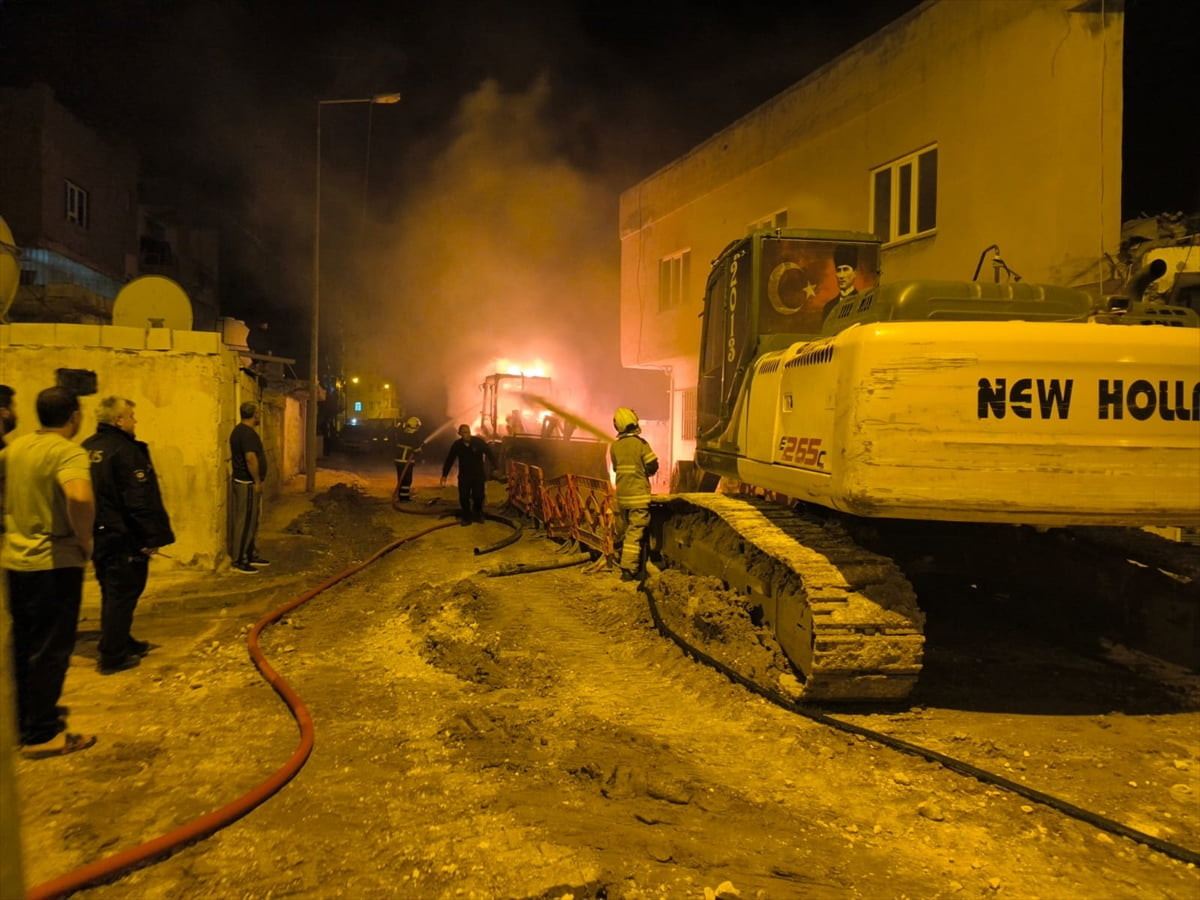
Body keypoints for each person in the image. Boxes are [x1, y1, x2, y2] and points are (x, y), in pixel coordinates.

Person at [0, 386, 97, 757]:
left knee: (24, 645)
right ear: (74, 416)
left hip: (16, 560)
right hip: (53, 564)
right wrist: (83, 538)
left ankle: (23, 721)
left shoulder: (15, 449)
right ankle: (42, 734)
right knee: (52, 649)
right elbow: (79, 496)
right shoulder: (68, 452)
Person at [82, 396, 175, 674]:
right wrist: (150, 538)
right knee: (123, 593)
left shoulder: (87, 448)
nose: (135, 421)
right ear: (119, 420)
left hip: (99, 534)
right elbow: (139, 500)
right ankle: (113, 655)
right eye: (132, 416)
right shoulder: (125, 450)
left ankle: (120, 639)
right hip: (123, 537)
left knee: (111, 591)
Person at [610, 407, 659, 582]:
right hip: (638, 498)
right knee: (634, 533)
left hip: (622, 498)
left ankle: (629, 562)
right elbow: (652, 466)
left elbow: (616, 468)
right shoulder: (641, 444)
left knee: (626, 531)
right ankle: (628, 569)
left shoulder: (615, 446)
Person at [229, 401, 269, 573]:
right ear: (254, 414)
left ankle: (250, 553)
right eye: (258, 413)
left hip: (246, 482)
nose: (260, 415)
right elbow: (250, 458)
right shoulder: (247, 434)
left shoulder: (240, 431)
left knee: (251, 521)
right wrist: (257, 481)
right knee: (245, 522)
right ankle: (239, 560)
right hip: (247, 483)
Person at [440, 424, 497, 525]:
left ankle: (478, 514)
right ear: (460, 434)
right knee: (463, 497)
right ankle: (466, 517)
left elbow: (489, 453)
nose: (467, 434)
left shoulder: (478, 442)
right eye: (464, 432)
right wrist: (444, 475)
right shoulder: (457, 445)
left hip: (478, 475)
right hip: (464, 476)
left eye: (468, 432)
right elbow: (450, 459)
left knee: (478, 496)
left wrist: (496, 467)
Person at [821, 244, 861, 321]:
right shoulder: (828, 308)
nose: (841, 276)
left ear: (855, 273)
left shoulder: (861, 303)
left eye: (845, 269)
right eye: (838, 270)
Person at [393, 416, 423, 503]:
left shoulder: (402, 433)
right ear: (415, 426)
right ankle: (404, 498)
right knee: (407, 480)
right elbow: (416, 450)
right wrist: (420, 449)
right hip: (406, 461)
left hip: (399, 460)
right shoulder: (414, 436)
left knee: (401, 479)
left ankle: (402, 497)